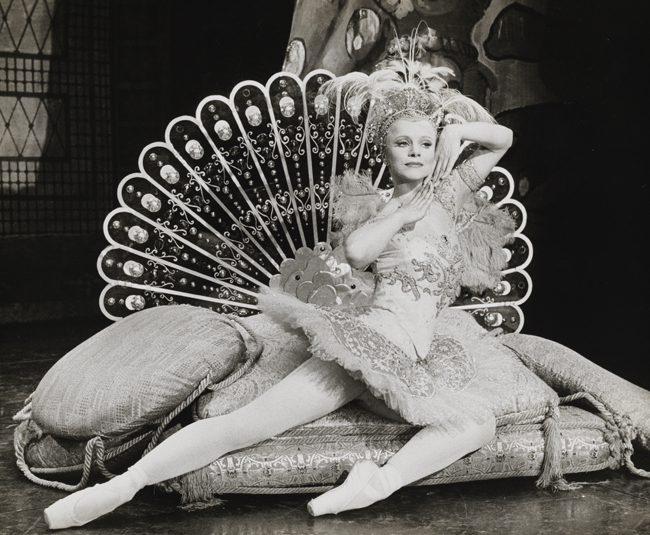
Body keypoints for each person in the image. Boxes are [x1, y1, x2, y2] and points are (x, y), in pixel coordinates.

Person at [43, 57, 553, 529]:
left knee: (477, 423)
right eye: (404, 144)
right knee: (248, 426)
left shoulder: (450, 192)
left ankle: (375, 483)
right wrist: (401, 213)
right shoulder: (376, 206)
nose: (417, 152)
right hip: (368, 348)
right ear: (386, 151)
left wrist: (457, 129)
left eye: (424, 142)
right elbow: (354, 254)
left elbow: (501, 138)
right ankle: (121, 488)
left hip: (412, 365)